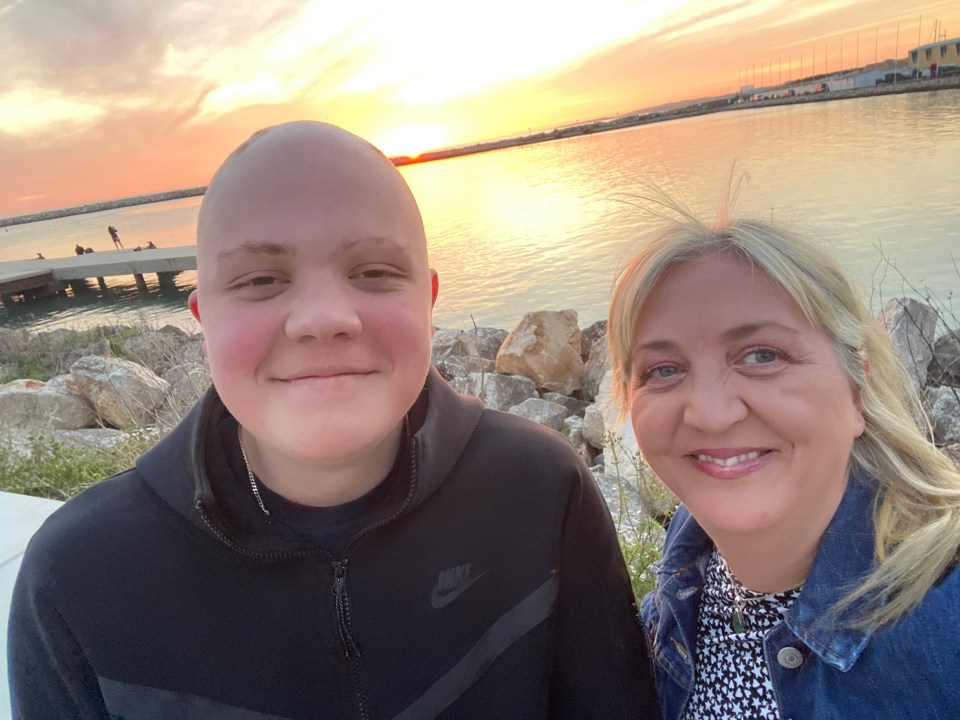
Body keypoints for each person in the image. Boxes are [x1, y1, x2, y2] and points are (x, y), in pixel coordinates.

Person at [9, 121, 657, 719]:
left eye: (373, 272)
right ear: (204, 321)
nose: (323, 317)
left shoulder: (541, 490)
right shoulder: (78, 580)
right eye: (262, 280)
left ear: (426, 303)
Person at [606, 189, 960, 719]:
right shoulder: (680, 601)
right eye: (663, 369)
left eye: (762, 355)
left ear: (856, 388)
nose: (711, 413)